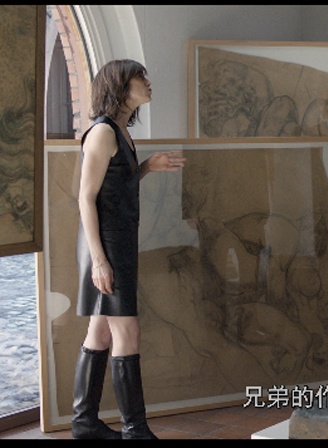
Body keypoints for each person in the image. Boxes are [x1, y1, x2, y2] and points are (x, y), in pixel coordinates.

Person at [72, 59, 186, 439]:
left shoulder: (120, 132)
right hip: (105, 246)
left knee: (100, 332)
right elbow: (85, 198)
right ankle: (135, 430)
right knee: (127, 333)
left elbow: (115, 188)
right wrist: (99, 260)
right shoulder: (103, 132)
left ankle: (85, 423)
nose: (148, 82)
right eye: (141, 77)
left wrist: (146, 167)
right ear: (120, 86)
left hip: (117, 244)